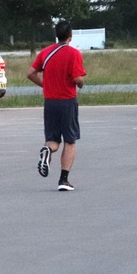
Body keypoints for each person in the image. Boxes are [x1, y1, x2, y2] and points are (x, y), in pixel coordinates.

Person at [27, 20, 87, 191]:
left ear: (56, 34)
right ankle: (63, 180)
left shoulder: (45, 52)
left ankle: (47, 150)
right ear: (70, 35)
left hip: (50, 102)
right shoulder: (74, 54)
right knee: (70, 141)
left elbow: (30, 73)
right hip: (67, 102)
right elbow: (77, 79)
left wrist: (44, 85)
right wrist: (81, 83)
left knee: (52, 140)